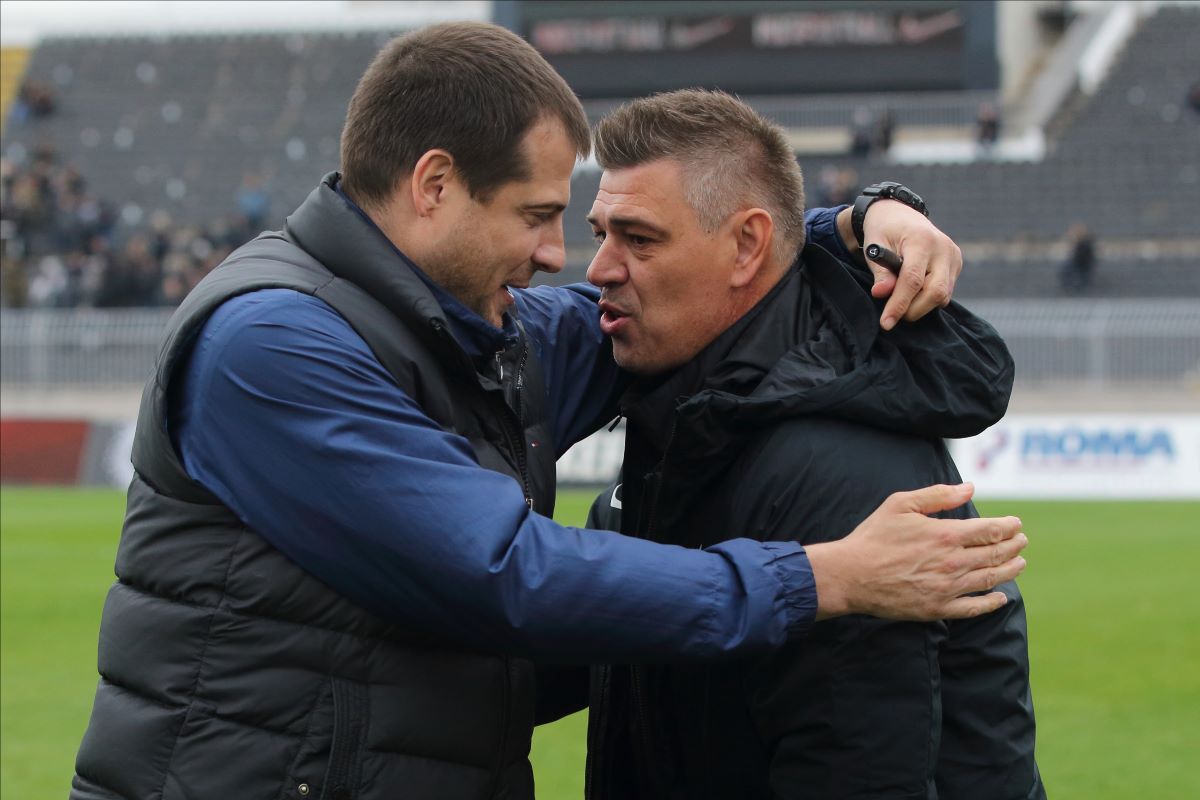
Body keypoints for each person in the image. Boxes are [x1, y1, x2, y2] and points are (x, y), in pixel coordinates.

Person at [70, 23, 1027, 800]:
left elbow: (701, 283)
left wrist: (852, 225)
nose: (560, 257)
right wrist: (817, 580)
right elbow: (506, 576)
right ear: (435, 186)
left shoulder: (474, 331)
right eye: (537, 216)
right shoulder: (273, 348)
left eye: (600, 229)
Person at [582, 89, 1042, 799]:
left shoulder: (842, 471)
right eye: (600, 234)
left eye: (638, 239)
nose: (599, 269)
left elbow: (860, 770)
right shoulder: (683, 415)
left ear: (746, 246)